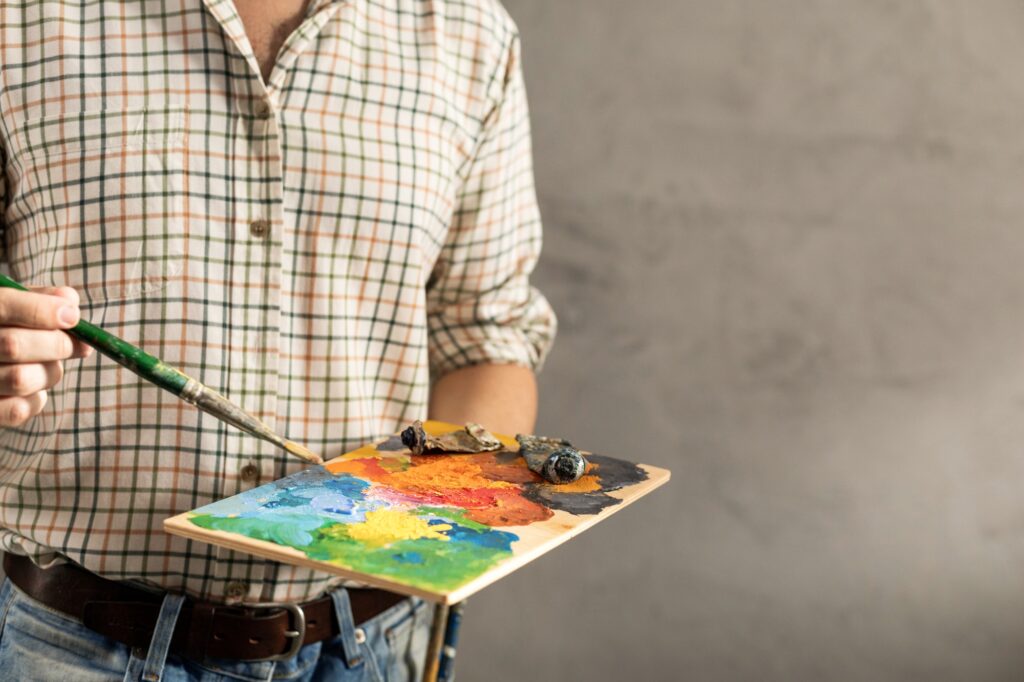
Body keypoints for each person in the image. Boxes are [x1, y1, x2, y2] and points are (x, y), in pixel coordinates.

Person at [0, 0, 555, 679]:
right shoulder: (18, 16)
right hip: (74, 646)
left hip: (366, 647)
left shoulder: (469, 33)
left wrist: (455, 514)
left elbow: (484, 336)